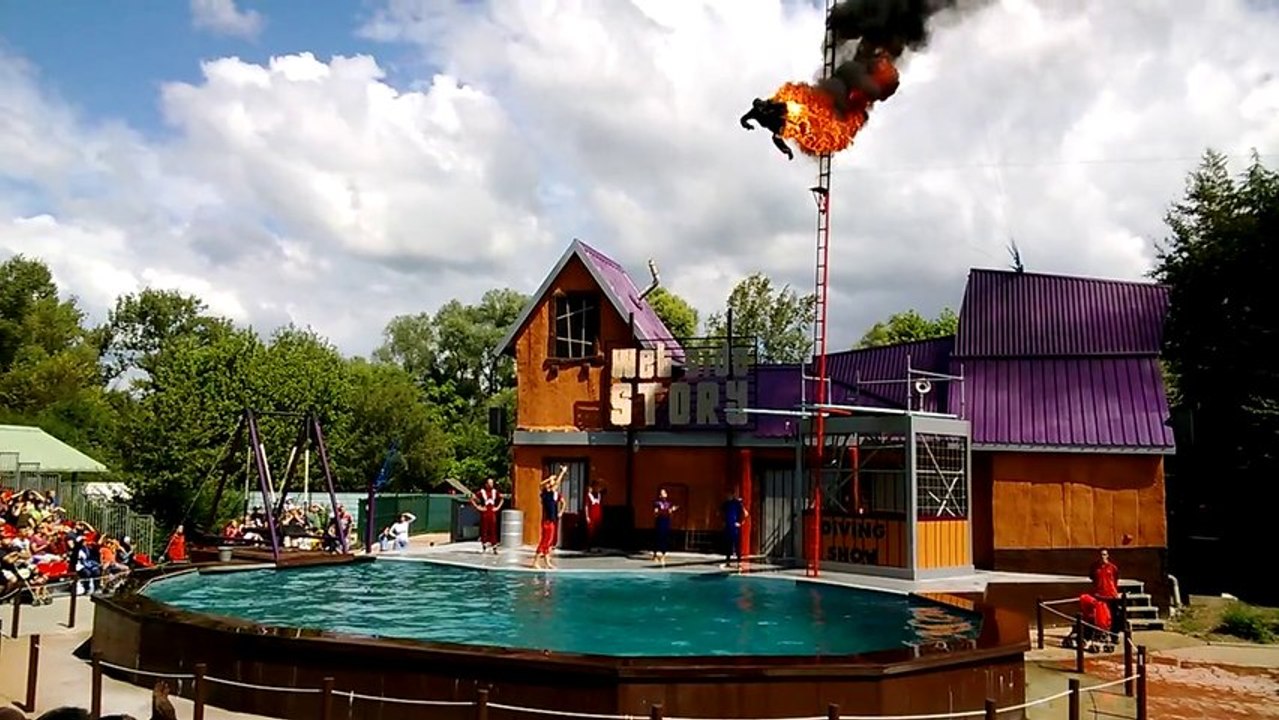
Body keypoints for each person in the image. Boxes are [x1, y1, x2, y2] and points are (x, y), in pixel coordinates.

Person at [533, 466, 568, 570]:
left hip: (552, 520)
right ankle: (535, 561)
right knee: (544, 541)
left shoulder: (553, 494)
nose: (553, 483)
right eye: (551, 482)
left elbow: (557, 485)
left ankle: (547, 562)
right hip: (547, 521)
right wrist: (553, 477)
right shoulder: (546, 494)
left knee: (549, 542)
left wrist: (562, 472)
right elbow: (541, 485)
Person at [1089, 548, 1122, 634]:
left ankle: (1114, 634)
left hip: (1111, 595)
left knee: (1114, 615)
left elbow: (1116, 579)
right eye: (1101, 555)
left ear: (1107, 556)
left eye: (1104, 554)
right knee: (1101, 615)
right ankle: (1100, 633)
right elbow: (1092, 578)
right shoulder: (1094, 567)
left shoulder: (1113, 567)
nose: (1102, 556)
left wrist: (1115, 591)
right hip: (1099, 594)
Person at [471, 478, 504, 555]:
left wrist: (498, 507)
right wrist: (478, 507)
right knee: (484, 529)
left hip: (492, 513)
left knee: (493, 529)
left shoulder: (495, 492)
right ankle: (484, 546)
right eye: (489, 483)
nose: (490, 485)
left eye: (492, 483)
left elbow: (502, 499)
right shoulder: (482, 492)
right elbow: (472, 498)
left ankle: (494, 547)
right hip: (485, 513)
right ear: (486, 484)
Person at [721, 488, 749, 569]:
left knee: (737, 545)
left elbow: (745, 514)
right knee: (728, 545)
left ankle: (739, 562)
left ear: (732, 495)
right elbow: (721, 513)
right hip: (728, 527)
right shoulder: (726, 504)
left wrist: (740, 523)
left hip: (735, 528)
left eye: (729, 494)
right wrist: (723, 522)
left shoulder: (737, 504)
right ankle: (728, 561)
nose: (727, 496)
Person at [651, 487, 678, 567]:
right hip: (659, 521)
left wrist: (672, 510)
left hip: (666, 521)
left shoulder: (669, 503)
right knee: (657, 537)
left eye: (665, 493)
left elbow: (670, 512)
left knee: (665, 537)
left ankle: (663, 555)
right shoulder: (657, 503)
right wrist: (657, 512)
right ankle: (655, 554)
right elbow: (655, 513)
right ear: (660, 495)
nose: (664, 494)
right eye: (662, 493)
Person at [583, 481, 604, 553]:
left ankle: (598, 546)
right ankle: (588, 547)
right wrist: (587, 516)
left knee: (598, 531)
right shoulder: (588, 496)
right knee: (590, 532)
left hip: (598, 515)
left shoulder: (599, 495)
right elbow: (586, 507)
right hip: (591, 516)